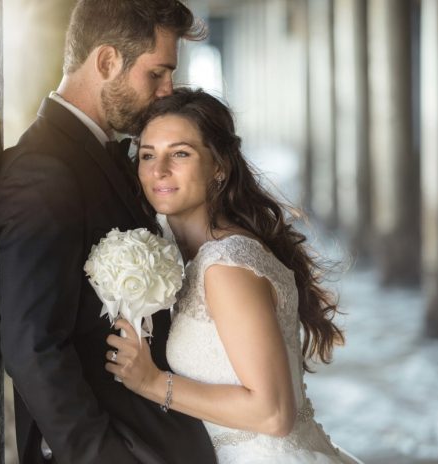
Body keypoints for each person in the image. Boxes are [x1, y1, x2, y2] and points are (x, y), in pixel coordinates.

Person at [0, 2, 217, 463]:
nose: (168, 91)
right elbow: (33, 346)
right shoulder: (42, 170)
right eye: (157, 74)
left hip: (158, 431)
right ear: (107, 61)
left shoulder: (105, 154)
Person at [106, 88, 364, 463]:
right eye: (148, 155)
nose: (159, 170)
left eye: (180, 153)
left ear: (219, 167)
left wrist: (151, 382)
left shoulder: (225, 266)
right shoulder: (195, 257)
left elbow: (273, 413)